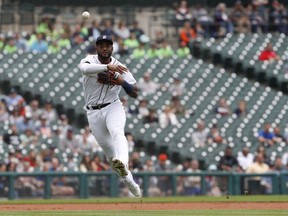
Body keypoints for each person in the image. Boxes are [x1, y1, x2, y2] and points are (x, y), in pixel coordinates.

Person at [78, 35, 141, 197]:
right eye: (101, 45)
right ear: (96, 48)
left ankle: (124, 162)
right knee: (110, 155)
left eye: (108, 45)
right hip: (93, 112)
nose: (105, 48)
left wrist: (122, 82)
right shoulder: (89, 60)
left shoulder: (120, 67)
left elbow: (135, 92)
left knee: (117, 131)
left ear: (112, 48)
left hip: (113, 106)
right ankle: (130, 182)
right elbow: (84, 70)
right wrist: (107, 69)